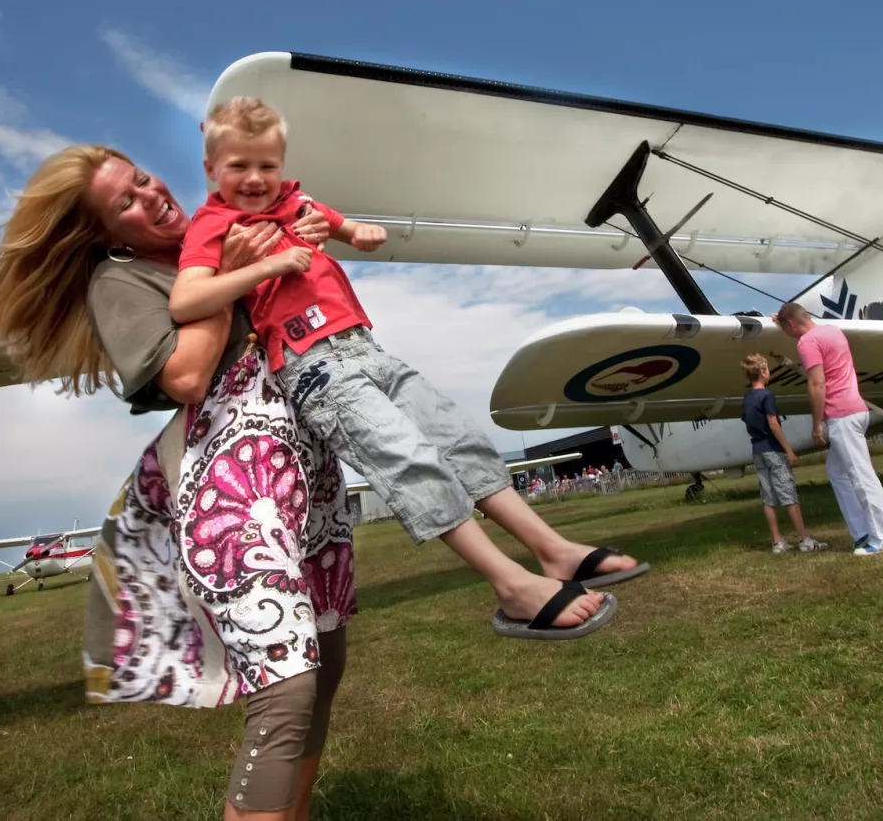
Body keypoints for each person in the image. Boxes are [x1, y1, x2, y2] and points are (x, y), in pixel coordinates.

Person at [168, 96, 648, 639]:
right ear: (211, 169)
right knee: (410, 459)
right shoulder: (214, 223)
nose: (256, 179)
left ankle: (552, 549)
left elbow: (344, 226)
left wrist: (359, 232)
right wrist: (272, 263)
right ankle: (511, 585)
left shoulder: (295, 202)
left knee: (459, 438)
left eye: (267, 165)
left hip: (365, 347)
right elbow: (186, 302)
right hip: (313, 366)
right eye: (239, 166)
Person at [0, 145, 355, 821]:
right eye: (124, 201)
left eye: (142, 179)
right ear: (104, 234)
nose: (148, 196)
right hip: (234, 488)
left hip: (302, 472)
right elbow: (185, 377)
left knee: (324, 667)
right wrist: (232, 276)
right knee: (286, 688)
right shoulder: (119, 282)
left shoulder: (219, 231)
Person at [774, 302, 883, 556]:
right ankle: (862, 533)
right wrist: (782, 321)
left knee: (861, 477)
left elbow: (817, 383)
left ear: (790, 325)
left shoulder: (806, 343)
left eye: (785, 328)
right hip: (856, 410)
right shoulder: (833, 331)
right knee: (837, 471)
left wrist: (817, 424)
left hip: (841, 416)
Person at [740, 354, 826, 554]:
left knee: (768, 498)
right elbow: (773, 423)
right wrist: (789, 450)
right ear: (763, 372)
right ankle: (804, 540)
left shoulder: (747, 398)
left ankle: (777, 542)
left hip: (757, 451)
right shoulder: (767, 396)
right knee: (789, 496)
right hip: (773, 449)